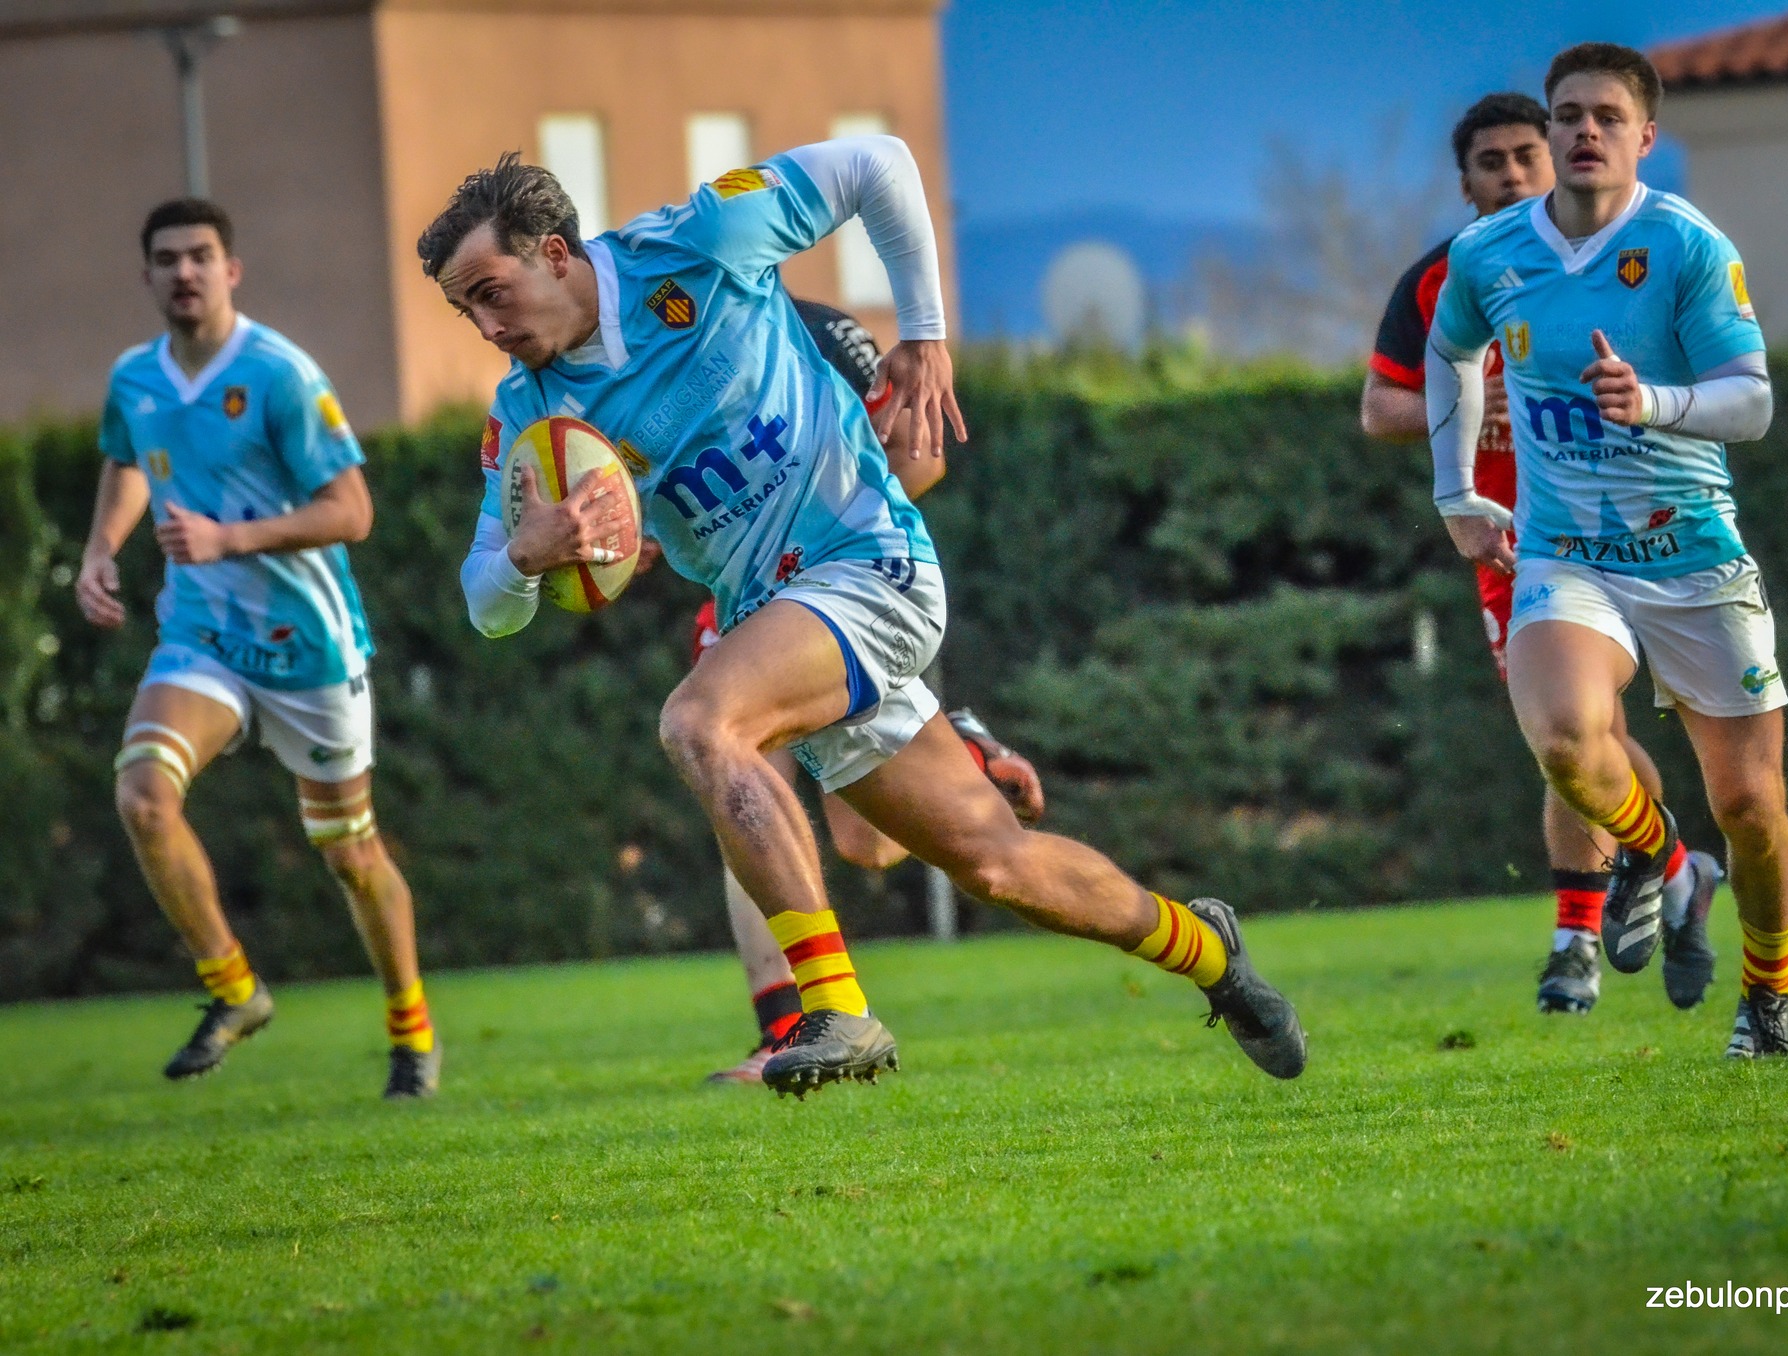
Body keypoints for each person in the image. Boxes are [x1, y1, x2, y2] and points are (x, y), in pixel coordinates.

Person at [426, 137, 1306, 1094]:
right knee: (996, 865)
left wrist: (925, 332)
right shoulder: (529, 415)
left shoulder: (699, 240)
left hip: (869, 563)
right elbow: (488, 606)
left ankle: (837, 1008)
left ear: (555, 251)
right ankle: (1213, 956)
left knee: (700, 722)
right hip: (782, 617)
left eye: (490, 290)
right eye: (463, 307)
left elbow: (879, 163)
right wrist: (527, 554)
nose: (483, 324)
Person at [1426, 44, 1788, 1057]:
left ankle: (1766, 997)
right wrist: (1454, 489)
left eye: (1603, 116)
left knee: (1751, 806)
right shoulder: (1486, 254)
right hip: (1562, 552)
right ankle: (1659, 855)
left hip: (1689, 555)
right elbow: (1448, 353)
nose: (1581, 130)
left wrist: (1654, 402)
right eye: (1566, 115)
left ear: (1643, 137)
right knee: (1562, 742)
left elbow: (1752, 399)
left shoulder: (1683, 245)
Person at [1365, 93, 1718, 1016]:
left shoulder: (1637, 254)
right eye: (1494, 162)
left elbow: (1703, 375)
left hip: (1647, 524)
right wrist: (1470, 390)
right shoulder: (1442, 279)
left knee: (1659, 752)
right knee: (1569, 739)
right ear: (1466, 181)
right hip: (1521, 545)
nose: (1516, 173)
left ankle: (1667, 884)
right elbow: (1381, 408)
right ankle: (1615, 915)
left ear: (1560, 152)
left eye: (1529, 153)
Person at [79, 199, 439, 1098]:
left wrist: (228, 540)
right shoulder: (135, 378)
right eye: (167, 259)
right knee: (143, 797)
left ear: (232, 269)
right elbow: (129, 459)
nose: (185, 272)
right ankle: (234, 988)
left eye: (202, 255)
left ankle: (411, 1031)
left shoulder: (279, 374)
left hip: (308, 642)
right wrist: (98, 550)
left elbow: (352, 512)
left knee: (350, 852)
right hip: (201, 635)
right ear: (149, 276)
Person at [699, 300, 1047, 1085]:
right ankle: (786, 1023)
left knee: (847, 831)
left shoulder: (815, 330)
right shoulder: (665, 354)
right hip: (750, 602)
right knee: (764, 783)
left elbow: (923, 459)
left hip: (847, 592)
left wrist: (829, 526)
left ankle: (955, 747)